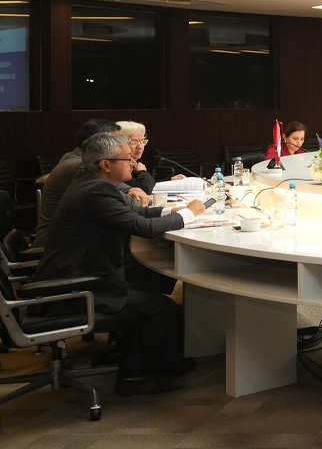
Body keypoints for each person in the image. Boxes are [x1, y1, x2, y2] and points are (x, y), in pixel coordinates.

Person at [33, 133, 207, 395]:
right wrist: (187, 215)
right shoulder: (95, 191)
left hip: (81, 274)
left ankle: (151, 362)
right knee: (161, 307)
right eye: (127, 159)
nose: (133, 164)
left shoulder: (90, 182)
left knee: (149, 281)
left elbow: (133, 213)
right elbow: (143, 228)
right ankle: (139, 376)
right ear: (106, 165)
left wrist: (167, 212)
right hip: (74, 290)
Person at [33, 119, 121, 247]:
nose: (122, 146)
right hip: (60, 248)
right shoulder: (80, 165)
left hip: (70, 239)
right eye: (116, 142)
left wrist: (131, 190)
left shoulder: (75, 157)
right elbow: (115, 198)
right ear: (98, 143)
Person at [115, 120, 183, 196]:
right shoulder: (117, 165)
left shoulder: (134, 164)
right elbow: (145, 190)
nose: (140, 147)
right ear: (119, 143)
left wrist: (169, 181)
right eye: (134, 142)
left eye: (143, 142)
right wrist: (142, 171)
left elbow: (145, 184)